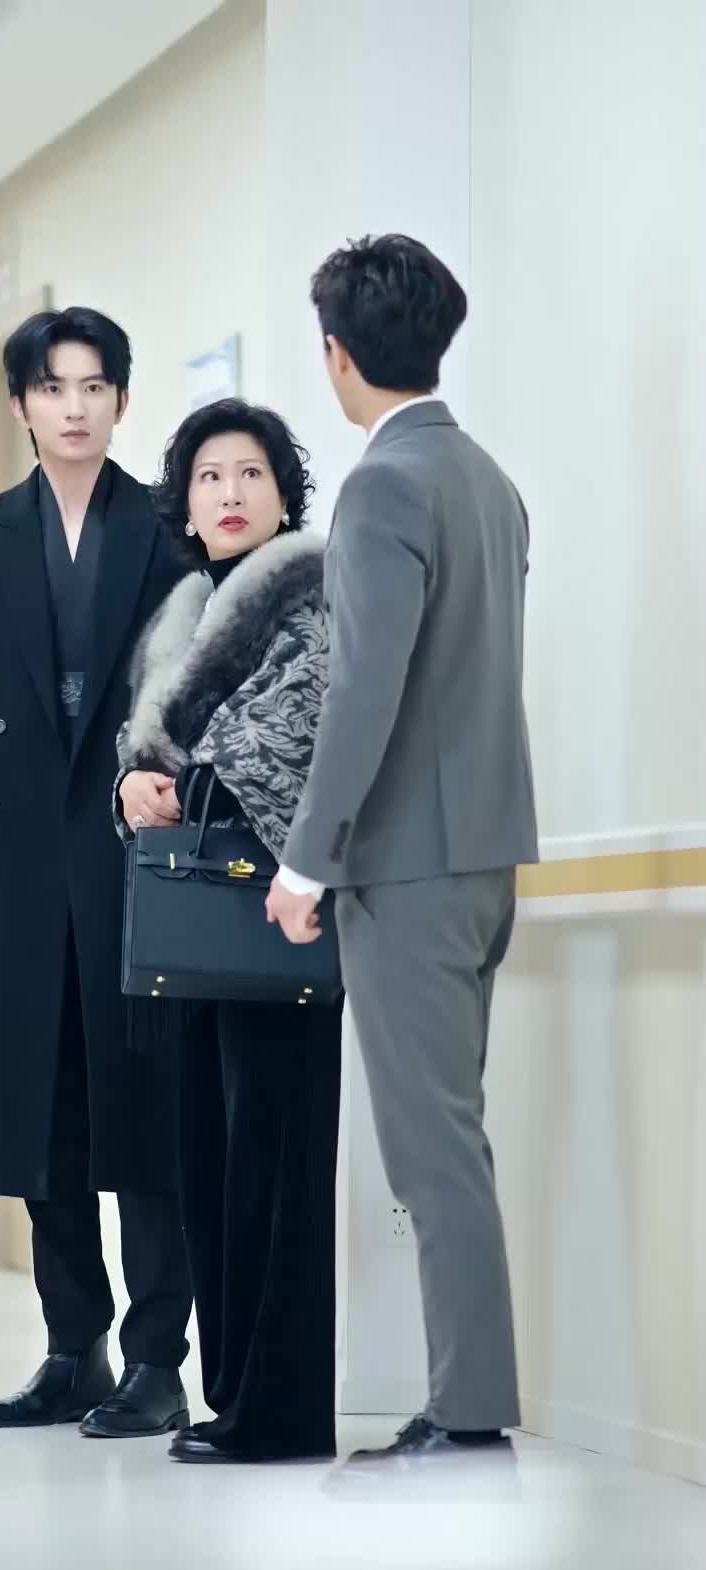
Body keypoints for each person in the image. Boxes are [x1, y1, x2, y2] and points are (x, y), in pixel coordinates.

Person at [0, 306, 193, 1439]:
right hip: (10, 867)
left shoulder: (168, 533)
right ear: (20, 404)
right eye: (54, 388)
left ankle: (157, 1361)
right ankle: (75, 1349)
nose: (75, 408)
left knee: (149, 1117)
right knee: (40, 1114)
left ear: (121, 400)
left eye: (95, 386)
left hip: (136, 862)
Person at [267, 234, 538, 1470]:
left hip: (411, 864)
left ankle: (467, 1412)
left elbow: (366, 689)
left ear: (337, 354)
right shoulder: (489, 480)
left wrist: (306, 860)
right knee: (450, 1137)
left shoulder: (383, 488)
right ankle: (465, 1398)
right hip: (484, 851)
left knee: (434, 1151)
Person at [117, 399, 342, 1464]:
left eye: (250, 473)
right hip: (196, 929)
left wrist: (185, 774)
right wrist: (134, 785)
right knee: (207, 1159)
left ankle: (281, 1412)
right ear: (187, 503)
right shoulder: (182, 616)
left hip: (279, 916)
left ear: (283, 494)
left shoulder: (314, 595)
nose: (230, 493)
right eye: (209, 477)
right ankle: (234, 1397)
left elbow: (300, 733)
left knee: (275, 1164)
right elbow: (143, 750)